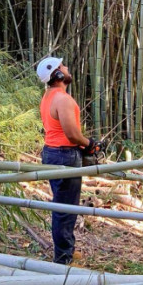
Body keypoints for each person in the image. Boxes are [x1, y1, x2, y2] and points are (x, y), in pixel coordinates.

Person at [36, 56, 99, 264]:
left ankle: (66, 250)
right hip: (64, 154)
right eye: (63, 66)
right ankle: (63, 258)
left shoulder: (48, 96)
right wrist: (90, 144)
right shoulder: (62, 99)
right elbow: (72, 134)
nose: (67, 67)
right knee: (65, 208)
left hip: (52, 152)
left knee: (63, 204)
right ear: (57, 74)